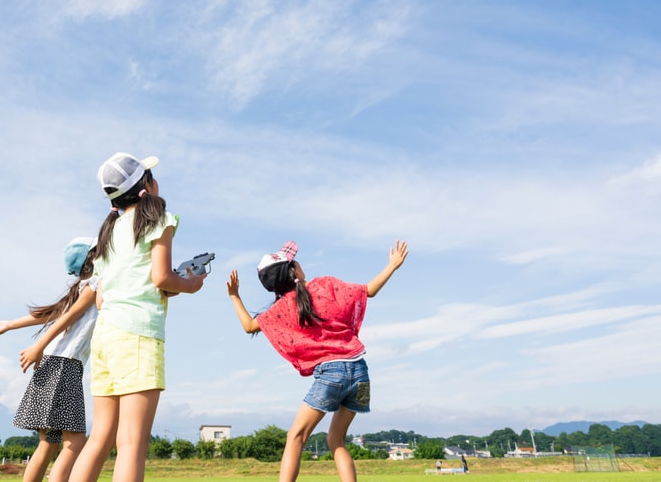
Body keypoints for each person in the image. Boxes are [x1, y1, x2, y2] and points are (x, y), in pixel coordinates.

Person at [66, 152, 206, 482]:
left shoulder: (108, 233)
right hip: (138, 336)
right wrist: (190, 284)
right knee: (131, 443)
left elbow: (104, 297)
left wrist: (168, 285)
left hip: (106, 337)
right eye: (150, 175)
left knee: (99, 438)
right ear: (145, 186)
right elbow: (160, 278)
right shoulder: (160, 219)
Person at [227, 239, 408, 482]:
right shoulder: (325, 284)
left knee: (296, 437)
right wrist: (392, 265)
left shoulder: (282, 308)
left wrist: (234, 296)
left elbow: (249, 326)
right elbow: (369, 291)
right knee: (336, 440)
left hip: (331, 375)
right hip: (362, 375)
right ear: (293, 270)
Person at [0, 237, 100, 482]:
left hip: (52, 364)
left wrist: (8, 325)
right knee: (75, 441)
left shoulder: (80, 288)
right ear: (91, 257)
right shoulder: (94, 284)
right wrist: (38, 345)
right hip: (64, 365)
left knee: (49, 443)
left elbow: (48, 314)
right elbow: (68, 315)